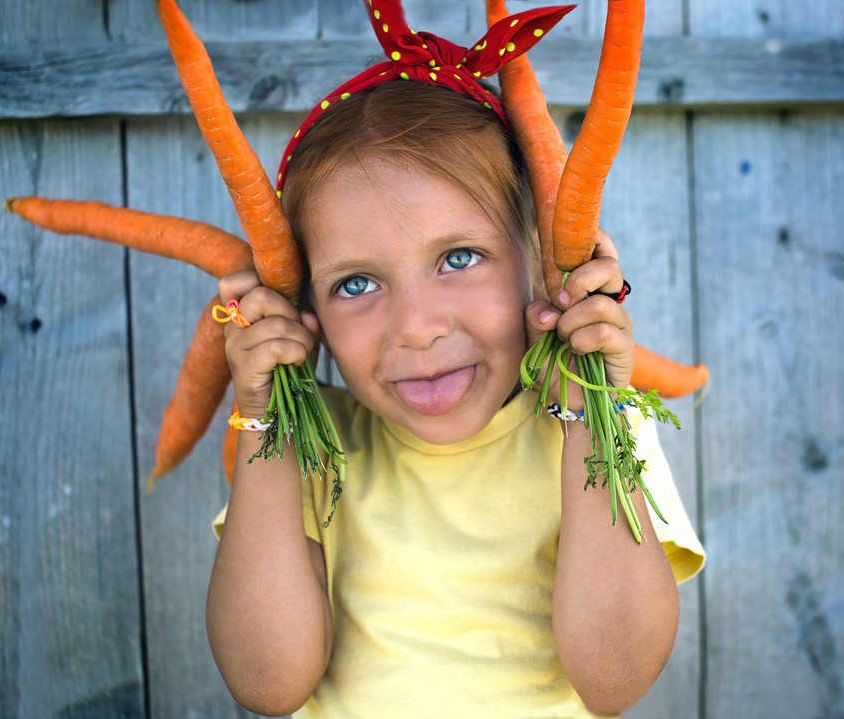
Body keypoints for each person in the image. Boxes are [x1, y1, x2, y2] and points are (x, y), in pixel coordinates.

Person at [207, 3, 704, 717]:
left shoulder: (600, 426)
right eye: (356, 283)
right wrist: (261, 417)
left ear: (538, 263)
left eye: (458, 257)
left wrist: (589, 413)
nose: (416, 327)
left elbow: (614, 678)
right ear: (304, 308)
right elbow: (266, 683)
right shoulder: (311, 442)